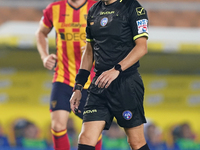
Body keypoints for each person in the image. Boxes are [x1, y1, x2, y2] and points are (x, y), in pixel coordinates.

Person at [70, 0, 150, 149]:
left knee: (136, 142)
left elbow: (142, 48)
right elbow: (89, 51)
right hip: (99, 84)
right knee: (86, 137)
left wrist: (117, 70)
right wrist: (78, 87)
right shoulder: (94, 9)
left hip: (126, 83)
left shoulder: (134, 8)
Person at [35, 0, 102, 149]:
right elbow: (41, 32)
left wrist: (95, 49)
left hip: (89, 82)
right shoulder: (55, 8)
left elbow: (113, 36)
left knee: (93, 131)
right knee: (57, 125)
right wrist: (44, 56)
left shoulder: (98, 7)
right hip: (63, 78)